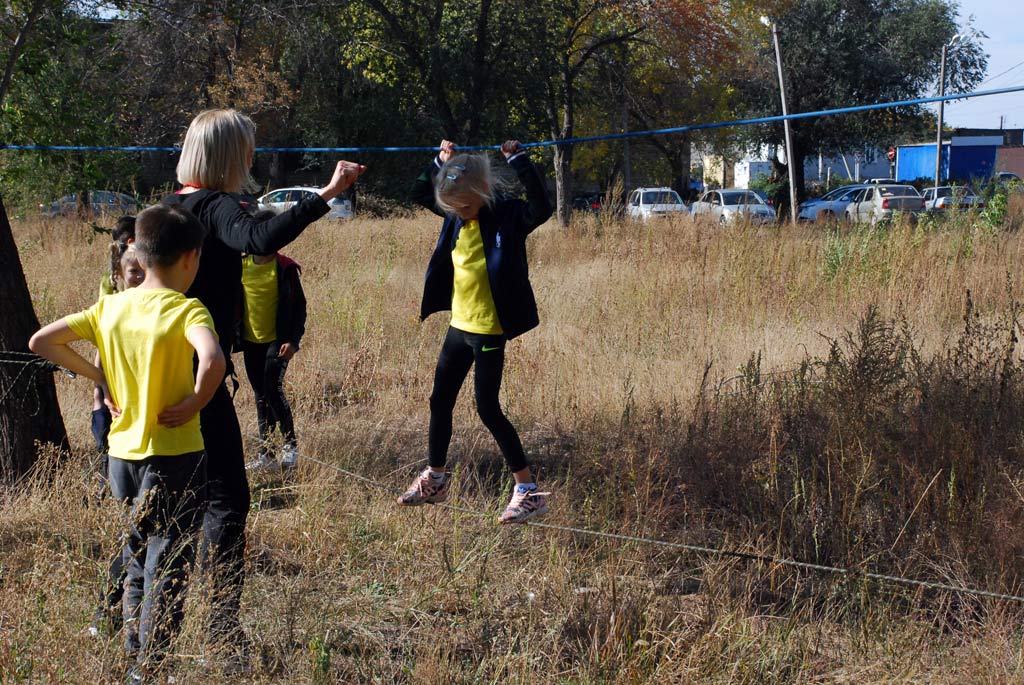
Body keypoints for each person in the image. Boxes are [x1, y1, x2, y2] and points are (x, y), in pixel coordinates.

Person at [161, 108, 364, 668]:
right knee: (227, 500)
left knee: (167, 502)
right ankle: (224, 638)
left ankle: (120, 614)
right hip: (199, 378)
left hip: (154, 375)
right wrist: (328, 193)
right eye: (247, 149)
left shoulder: (169, 207)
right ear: (230, 155)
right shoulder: (218, 206)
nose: (252, 158)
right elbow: (258, 239)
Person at [30, 204, 225, 680]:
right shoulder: (186, 308)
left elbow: (42, 342)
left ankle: (135, 652)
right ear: (190, 258)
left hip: (121, 458)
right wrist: (198, 399)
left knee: (137, 554)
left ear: (141, 251)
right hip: (174, 455)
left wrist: (101, 376)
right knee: (169, 560)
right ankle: (153, 665)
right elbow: (213, 358)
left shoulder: (111, 306)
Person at [401, 138, 553, 523]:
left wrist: (518, 161)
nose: (460, 214)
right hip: (459, 326)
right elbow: (419, 191)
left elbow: (542, 207)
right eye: (453, 209)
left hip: (488, 330)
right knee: (440, 401)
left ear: (483, 193)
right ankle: (435, 478)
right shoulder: (455, 214)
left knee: (487, 407)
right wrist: (441, 161)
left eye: (465, 207)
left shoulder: (508, 217)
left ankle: (528, 490)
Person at [89, 231, 145, 638]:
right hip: (120, 433)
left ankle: (128, 617)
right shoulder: (111, 310)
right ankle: (109, 609)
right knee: (131, 528)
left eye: (146, 270)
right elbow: (99, 362)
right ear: (118, 276)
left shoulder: (166, 309)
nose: (140, 277)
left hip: (158, 438)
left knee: (142, 530)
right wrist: (101, 395)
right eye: (132, 272)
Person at [241, 210, 307, 473]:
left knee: (273, 390)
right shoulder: (239, 265)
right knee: (260, 395)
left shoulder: (285, 268)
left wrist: (293, 341)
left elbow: (300, 308)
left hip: (277, 343)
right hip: (249, 342)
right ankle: (265, 453)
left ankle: (290, 447)